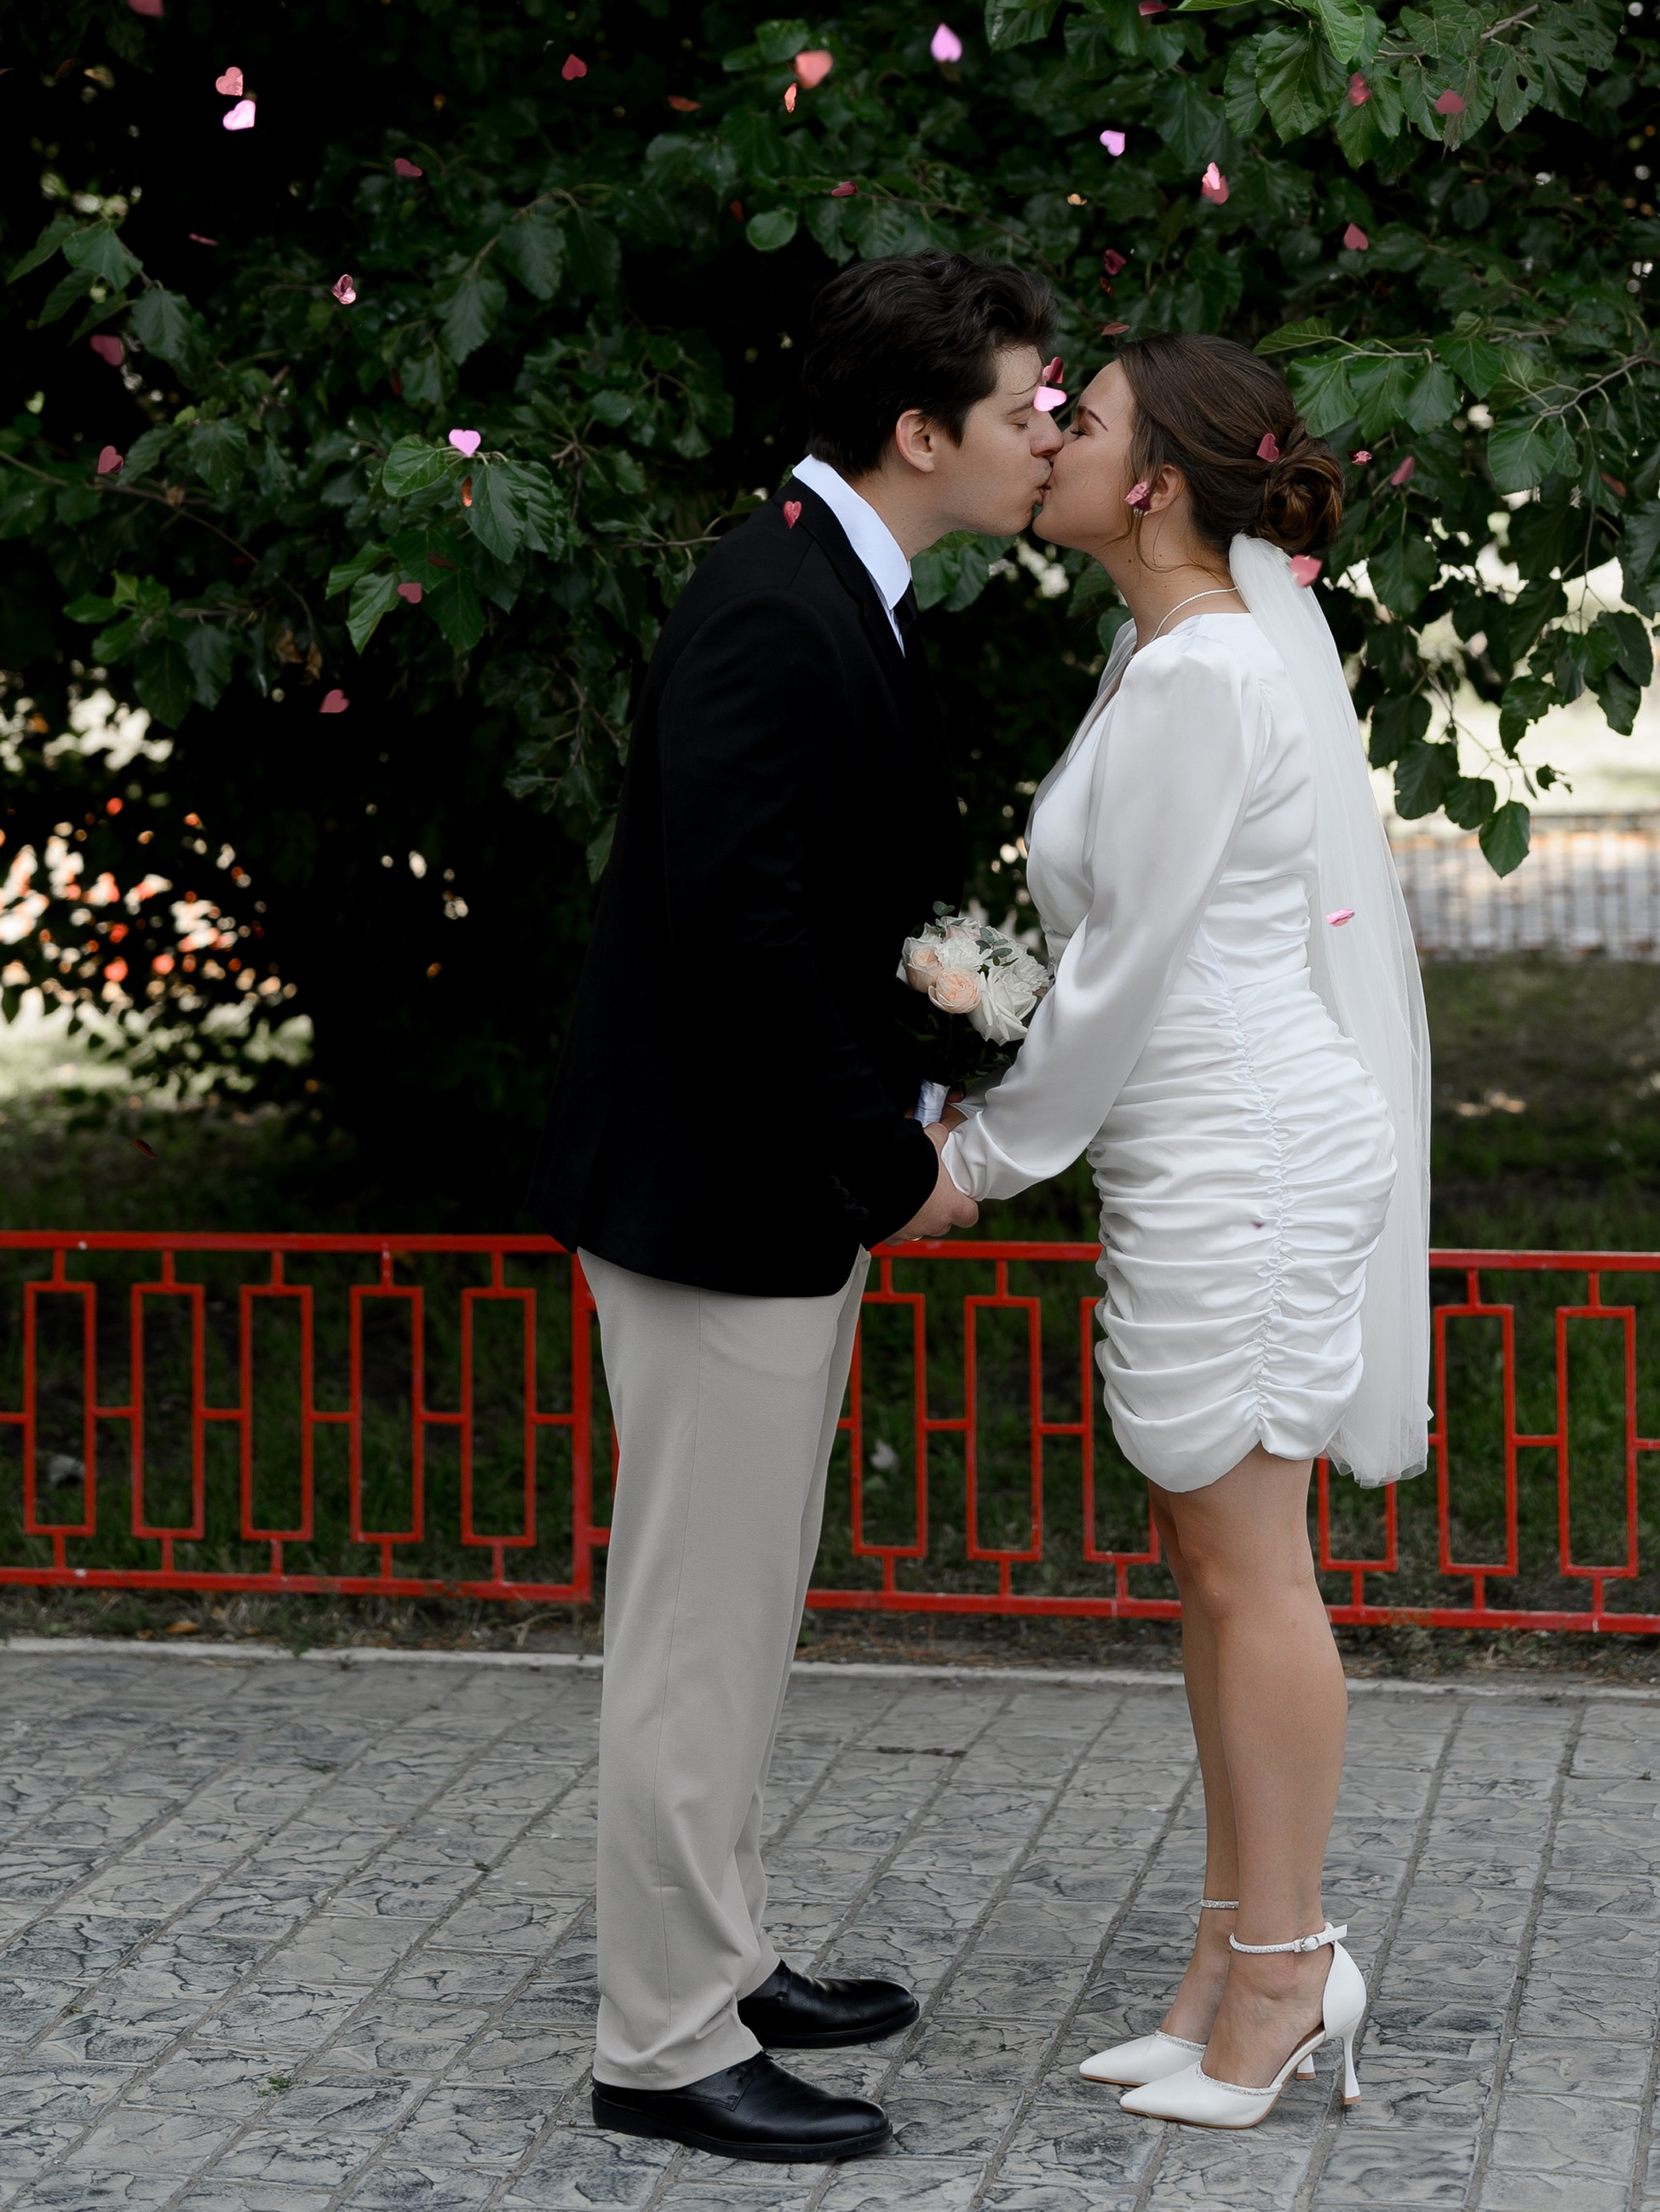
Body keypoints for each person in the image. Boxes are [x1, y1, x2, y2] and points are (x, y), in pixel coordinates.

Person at [526, 250, 1061, 2167]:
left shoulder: (838, 579)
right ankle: (660, 2040)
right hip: (711, 1193)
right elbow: (732, 933)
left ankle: (723, 1951)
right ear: (919, 430)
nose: (1048, 434)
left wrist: (914, 1067)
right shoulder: (775, 599)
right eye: (1024, 407)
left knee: (738, 1614)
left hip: (752, 1188)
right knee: (694, 1622)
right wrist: (890, 1153)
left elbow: (811, 915)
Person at [934, 332, 1432, 2133]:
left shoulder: (1202, 675)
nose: (1050, 435)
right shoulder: (1159, 659)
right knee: (1208, 1567)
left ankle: (1290, 1966)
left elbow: (1127, 966)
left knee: (1251, 1565)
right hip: (1190, 1138)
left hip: (1244, 1139)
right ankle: (1229, 1952)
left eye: (1086, 419)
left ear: (1152, 478)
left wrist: (981, 1158)